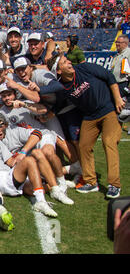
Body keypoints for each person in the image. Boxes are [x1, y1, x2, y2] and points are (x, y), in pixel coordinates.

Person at [49, 54, 125, 198]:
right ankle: (91, 182)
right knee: (83, 146)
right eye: (65, 62)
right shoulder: (62, 87)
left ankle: (114, 185)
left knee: (109, 142)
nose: (69, 62)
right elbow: (57, 104)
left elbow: (108, 76)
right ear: (59, 71)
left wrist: (117, 98)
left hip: (108, 109)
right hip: (90, 116)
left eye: (68, 60)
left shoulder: (84, 68)